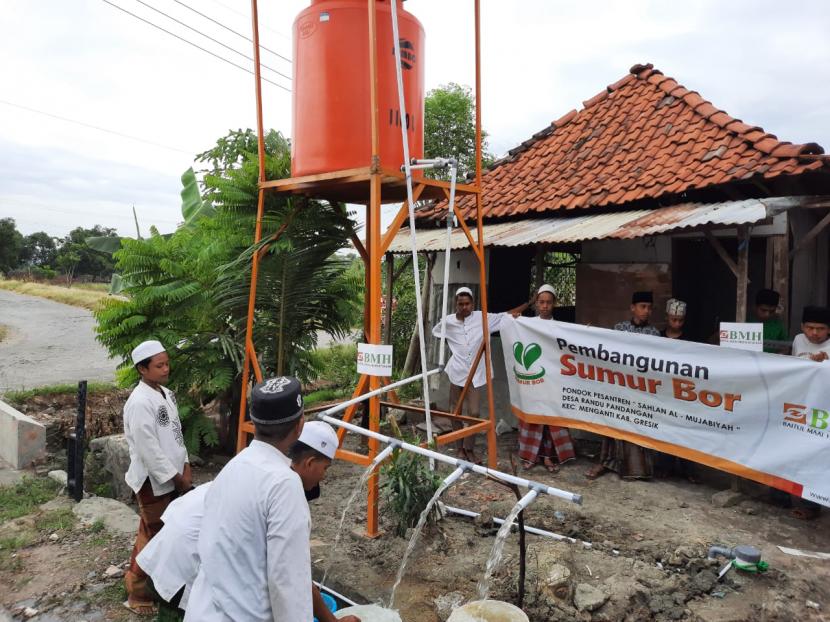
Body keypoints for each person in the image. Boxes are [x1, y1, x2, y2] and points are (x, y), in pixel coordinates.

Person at [139, 422, 360, 622]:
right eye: (325, 469)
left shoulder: (255, 467)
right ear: (310, 463)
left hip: (177, 551)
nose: (324, 476)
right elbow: (290, 577)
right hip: (181, 564)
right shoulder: (280, 488)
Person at [185, 376, 312, 622]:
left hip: (203, 610)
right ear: (300, 426)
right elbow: (287, 582)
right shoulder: (283, 484)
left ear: (253, 423)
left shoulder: (234, 467)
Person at [123, 340, 191, 616]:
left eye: (167, 363)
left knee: (152, 534)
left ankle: (149, 589)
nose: (166, 369)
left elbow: (176, 436)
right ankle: (138, 593)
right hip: (154, 482)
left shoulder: (166, 394)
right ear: (142, 369)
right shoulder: (139, 403)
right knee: (157, 538)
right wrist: (176, 478)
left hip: (174, 477)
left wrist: (185, 464)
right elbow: (148, 449)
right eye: (159, 365)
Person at [432, 286, 528, 464]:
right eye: (461, 304)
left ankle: (469, 448)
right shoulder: (448, 321)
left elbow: (506, 316)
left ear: (472, 303)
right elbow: (436, 332)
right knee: (455, 412)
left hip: (475, 373)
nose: (464, 307)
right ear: (456, 304)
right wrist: (453, 343)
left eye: (467, 303)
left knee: (474, 413)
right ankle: (460, 447)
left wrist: (527, 304)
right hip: (456, 372)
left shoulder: (483, 318)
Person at [586, 292, 658, 480]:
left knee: (637, 429)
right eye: (642, 306)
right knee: (612, 426)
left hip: (640, 389)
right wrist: (588, 335)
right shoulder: (619, 328)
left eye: (649, 307)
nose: (646, 311)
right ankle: (605, 462)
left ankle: (636, 469)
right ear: (632, 308)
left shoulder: (655, 334)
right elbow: (607, 350)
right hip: (619, 387)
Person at [517, 284, 575, 472]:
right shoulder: (527, 324)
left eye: (548, 302)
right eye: (541, 302)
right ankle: (530, 456)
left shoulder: (560, 327)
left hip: (552, 379)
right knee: (532, 417)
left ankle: (548, 457)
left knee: (550, 420)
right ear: (536, 303)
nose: (544, 306)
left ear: (554, 304)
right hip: (533, 378)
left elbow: (571, 344)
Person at [136, 482, 211, 621]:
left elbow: (168, 515)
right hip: (179, 585)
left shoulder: (207, 488)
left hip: (158, 569)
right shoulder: (237, 504)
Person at [753, 288, 788, 353]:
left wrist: (775, 359)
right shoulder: (743, 320)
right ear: (755, 307)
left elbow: (785, 347)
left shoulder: (777, 324)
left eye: (772, 311)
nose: (767, 314)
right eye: (763, 310)